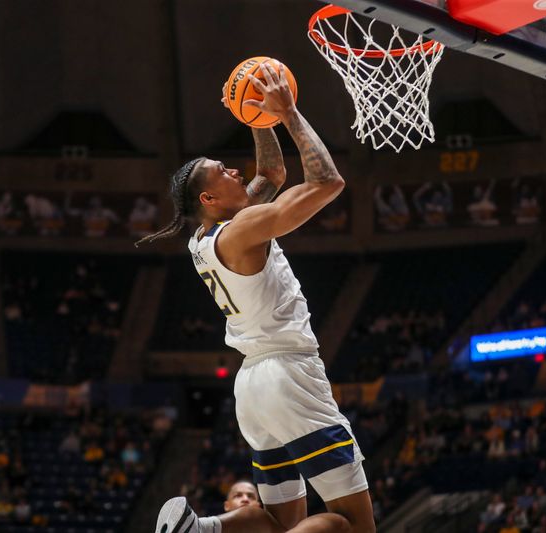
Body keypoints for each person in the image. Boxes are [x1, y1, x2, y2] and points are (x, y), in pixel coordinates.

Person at [142, 62, 373, 533]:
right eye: (221, 173)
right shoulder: (242, 227)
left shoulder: (205, 238)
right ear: (208, 199)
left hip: (252, 386)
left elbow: (271, 171)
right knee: (353, 526)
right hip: (291, 375)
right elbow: (328, 183)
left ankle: (204, 530)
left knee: (275, 518)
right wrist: (288, 113)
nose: (232, 170)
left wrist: (257, 118)